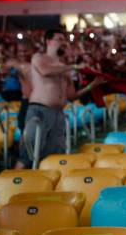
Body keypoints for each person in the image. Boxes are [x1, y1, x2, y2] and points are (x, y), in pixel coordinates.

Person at [16, 29, 105, 169]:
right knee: (29, 153)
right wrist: (74, 66)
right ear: (49, 42)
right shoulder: (39, 58)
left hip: (58, 113)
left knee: (52, 155)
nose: (63, 42)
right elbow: (45, 71)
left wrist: (92, 86)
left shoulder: (64, 68)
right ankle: (16, 185)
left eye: (64, 39)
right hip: (39, 110)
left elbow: (71, 96)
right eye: (59, 39)